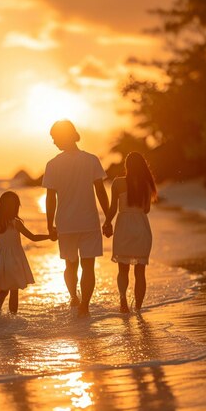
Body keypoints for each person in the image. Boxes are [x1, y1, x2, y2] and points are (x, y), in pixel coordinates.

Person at [42, 119, 109, 316]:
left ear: (64, 136)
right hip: (89, 222)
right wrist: (108, 218)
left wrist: (50, 225)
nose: (54, 142)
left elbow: (50, 197)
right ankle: (84, 305)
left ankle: (74, 297)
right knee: (88, 266)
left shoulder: (53, 164)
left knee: (70, 265)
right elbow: (101, 192)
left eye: (55, 138)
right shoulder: (91, 160)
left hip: (66, 223)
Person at [102, 151, 157, 313]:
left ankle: (123, 302)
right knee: (140, 272)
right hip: (141, 227)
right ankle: (138, 308)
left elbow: (112, 209)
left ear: (127, 166)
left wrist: (106, 223)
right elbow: (146, 210)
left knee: (123, 269)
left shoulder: (117, 183)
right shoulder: (146, 185)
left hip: (123, 227)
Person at [0, 191, 52, 314]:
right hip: (14, 259)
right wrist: (49, 236)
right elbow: (33, 237)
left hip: (0, 259)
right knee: (14, 290)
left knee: (3, 289)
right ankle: (13, 317)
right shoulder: (16, 222)